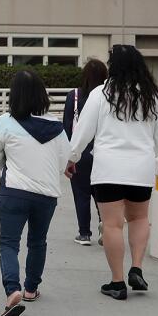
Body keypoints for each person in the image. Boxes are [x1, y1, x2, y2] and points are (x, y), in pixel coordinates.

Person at [66, 45, 158, 301]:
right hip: (141, 169)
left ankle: (117, 283)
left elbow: (83, 131)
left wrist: (71, 158)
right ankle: (136, 268)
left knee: (113, 225)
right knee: (139, 219)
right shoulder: (152, 96)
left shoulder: (100, 94)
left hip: (108, 169)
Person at [0, 70, 71, 316]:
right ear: (41, 95)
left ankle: (12, 290)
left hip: (14, 191)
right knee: (37, 241)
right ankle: (31, 289)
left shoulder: (6, 121)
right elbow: (63, 160)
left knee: (9, 243)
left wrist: (5, 162)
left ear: (15, 95)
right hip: (46, 194)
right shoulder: (56, 126)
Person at [62, 59, 108, 246]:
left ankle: (84, 233)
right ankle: (105, 225)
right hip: (103, 152)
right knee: (102, 193)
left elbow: (66, 127)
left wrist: (67, 155)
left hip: (80, 152)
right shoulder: (108, 97)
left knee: (81, 193)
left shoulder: (74, 96)